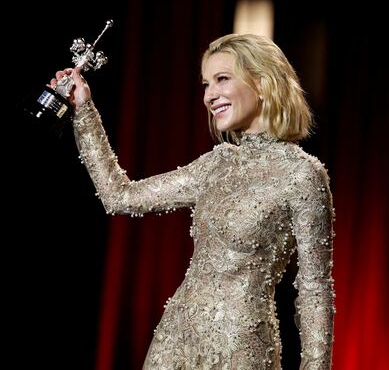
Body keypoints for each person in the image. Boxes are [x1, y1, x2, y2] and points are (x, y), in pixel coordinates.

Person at [51, 34, 335, 369]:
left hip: (240, 350)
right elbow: (118, 197)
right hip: (175, 341)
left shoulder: (302, 175)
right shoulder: (216, 164)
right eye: (205, 84)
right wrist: (84, 109)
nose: (210, 95)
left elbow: (315, 291)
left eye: (222, 79)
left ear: (262, 83)